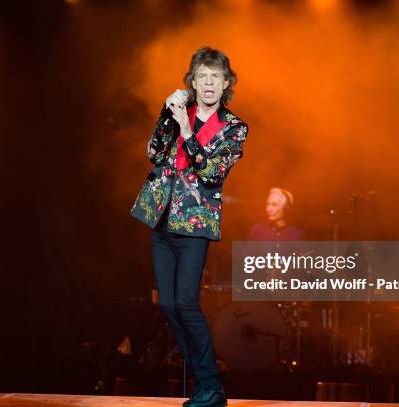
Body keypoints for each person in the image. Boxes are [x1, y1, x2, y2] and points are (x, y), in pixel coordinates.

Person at [131, 46, 248, 407]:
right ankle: (204, 383)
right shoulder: (177, 113)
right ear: (192, 82)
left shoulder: (234, 128)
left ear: (226, 82)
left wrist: (188, 132)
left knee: (186, 303)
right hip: (162, 218)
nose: (209, 82)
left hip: (194, 224)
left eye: (216, 76)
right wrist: (168, 117)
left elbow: (211, 172)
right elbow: (153, 152)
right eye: (202, 76)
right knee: (167, 305)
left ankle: (211, 386)